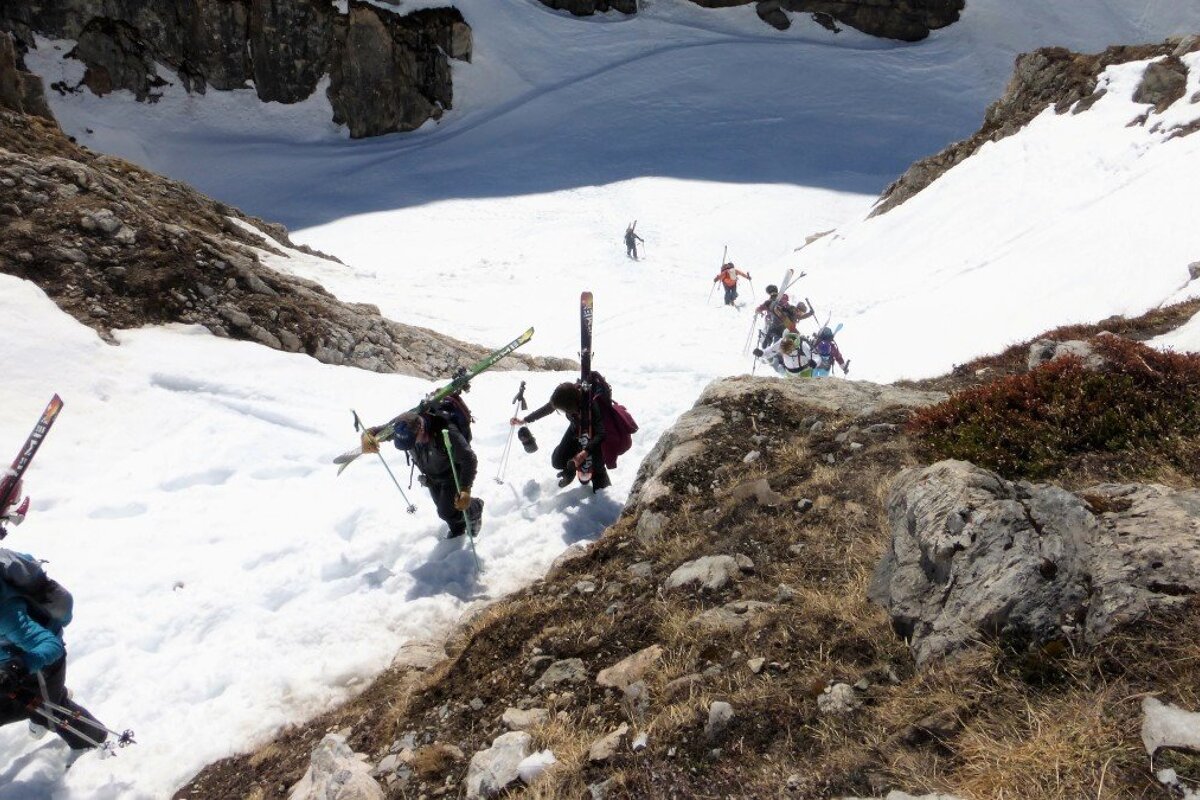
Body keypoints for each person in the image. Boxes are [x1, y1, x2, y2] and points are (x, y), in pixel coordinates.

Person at [0, 485, 109, 752]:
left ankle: (100, 747)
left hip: (37, 665)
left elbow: (49, 647)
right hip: (7, 664)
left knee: (52, 709)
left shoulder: (4, 612)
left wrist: (19, 666)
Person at [362, 399, 483, 539]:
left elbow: (469, 458)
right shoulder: (402, 425)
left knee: (447, 511)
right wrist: (366, 436)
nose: (411, 445)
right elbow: (376, 432)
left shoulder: (446, 431)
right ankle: (458, 530)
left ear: (421, 429)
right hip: (431, 475)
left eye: (412, 442)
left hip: (452, 474)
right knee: (442, 507)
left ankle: (476, 508)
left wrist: (465, 489)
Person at [511, 382, 610, 491]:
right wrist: (524, 420)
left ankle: (601, 483)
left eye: (562, 410)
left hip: (596, 439)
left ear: (570, 407)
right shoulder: (566, 396)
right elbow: (548, 408)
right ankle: (570, 472)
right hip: (576, 430)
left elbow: (601, 434)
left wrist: (585, 452)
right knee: (557, 461)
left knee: (596, 470)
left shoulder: (592, 405)